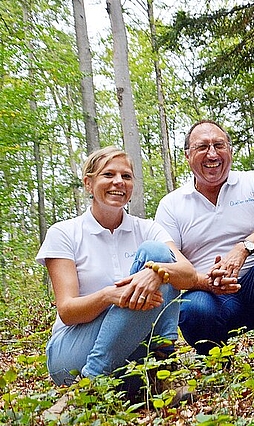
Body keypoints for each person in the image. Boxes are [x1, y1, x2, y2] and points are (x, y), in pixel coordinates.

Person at [37, 147, 196, 396]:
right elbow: (67, 311)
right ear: (89, 183)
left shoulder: (147, 228)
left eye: (126, 176)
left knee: (157, 254)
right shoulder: (64, 233)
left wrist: (156, 272)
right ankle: (92, 382)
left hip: (133, 345)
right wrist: (109, 296)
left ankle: (162, 366)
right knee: (141, 286)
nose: (118, 182)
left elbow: (188, 274)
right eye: (108, 175)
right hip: (73, 351)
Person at [154, 120, 254, 357]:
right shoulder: (171, 205)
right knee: (193, 308)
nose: (212, 154)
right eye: (202, 147)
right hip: (211, 298)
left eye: (219, 145)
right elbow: (171, 268)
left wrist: (244, 248)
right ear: (187, 155)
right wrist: (208, 281)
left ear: (231, 150)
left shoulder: (253, 182)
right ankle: (215, 359)